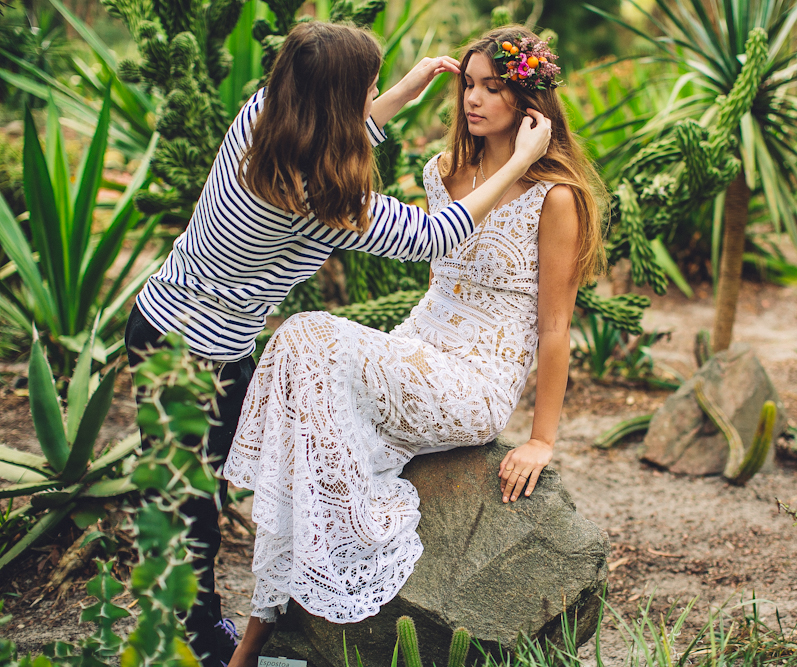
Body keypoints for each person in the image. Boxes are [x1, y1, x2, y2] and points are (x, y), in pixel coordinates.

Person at [124, 21, 552, 667]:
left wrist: (399, 95)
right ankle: (191, 637)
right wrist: (520, 162)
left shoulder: (264, 117)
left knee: (196, 492)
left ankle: (203, 623)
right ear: (338, 100)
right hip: (192, 348)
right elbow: (434, 237)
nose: (377, 90)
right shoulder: (316, 193)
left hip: (181, 323)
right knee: (190, 500)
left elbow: (326, 134)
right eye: (369, 86)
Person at [222, 24, 605, 667]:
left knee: (305, 332)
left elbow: (555, 326)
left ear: (530, 101)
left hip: (475, 383)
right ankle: (256, 643)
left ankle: (288, 614)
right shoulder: (443, 172)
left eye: (494, 88)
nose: (472, 100)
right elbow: (438, 270)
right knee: (305, 419)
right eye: (469, 86)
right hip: (417, 350)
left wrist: (541, 439)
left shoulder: (555, 196)